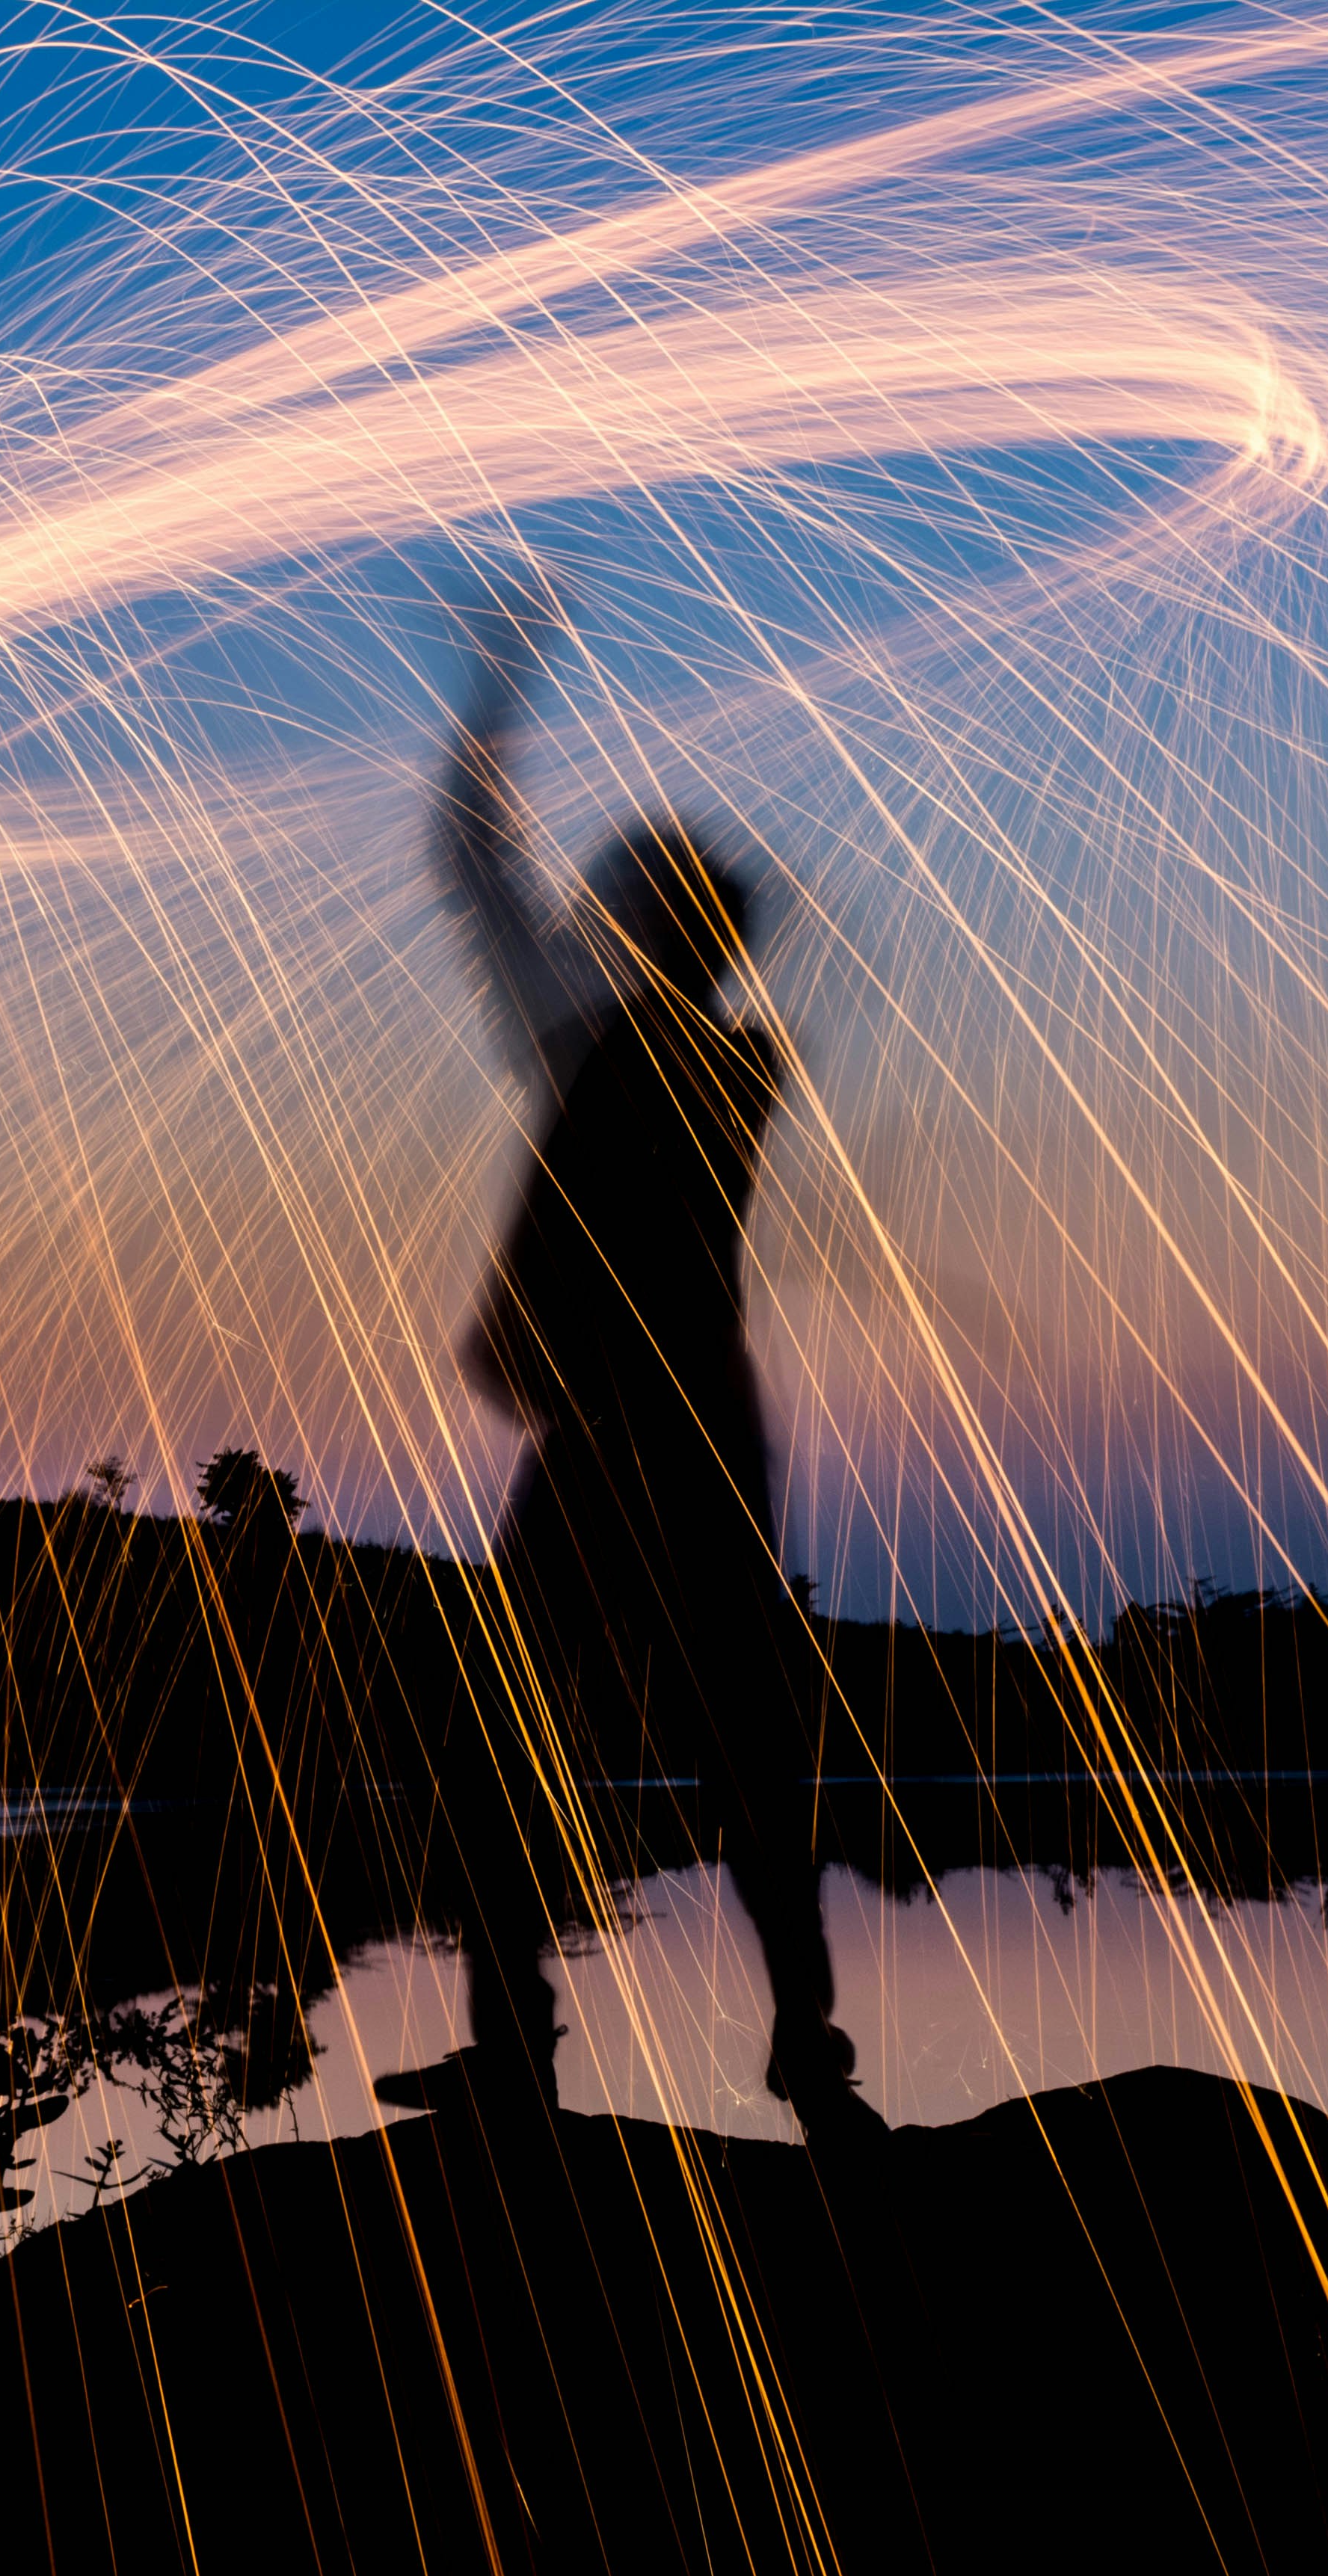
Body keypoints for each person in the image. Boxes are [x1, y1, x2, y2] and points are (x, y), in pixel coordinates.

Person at [378, 592, 882, 2145]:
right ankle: (811, 2062)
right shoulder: (739, 1063)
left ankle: (517, 2062)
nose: (585, 919)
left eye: (611, 905)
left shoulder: (607, 1045)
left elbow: (470, 866)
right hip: (711, 1431)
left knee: (503, 1741)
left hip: (612, 1437)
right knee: (747, 1751)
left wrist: (499, 678)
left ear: (642, 929)